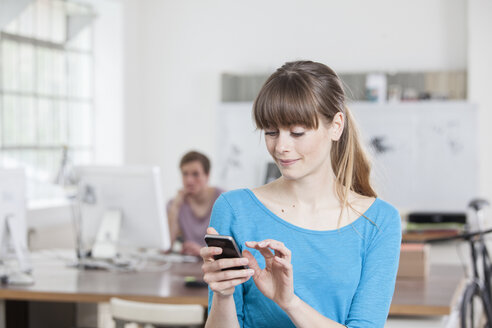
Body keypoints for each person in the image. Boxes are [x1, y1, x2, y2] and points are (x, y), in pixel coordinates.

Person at [200, 61, 401, 327]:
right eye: (271, 132)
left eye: (297, 132)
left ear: (336, 126)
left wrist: (290, 302)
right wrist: (223, 295)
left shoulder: (379, 221)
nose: (281, 146)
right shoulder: (234, 209)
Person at [167, 151, 224, 256]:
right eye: (185, 174)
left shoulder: (223, 200)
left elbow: (230, 248)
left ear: (207, 175)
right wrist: (175, 208)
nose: (189, 180)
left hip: (214, 266)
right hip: (189, 267)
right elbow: (166, 247)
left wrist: (202, 250)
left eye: (195, 174)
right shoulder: (176, 203)